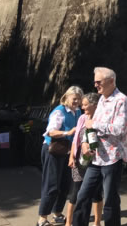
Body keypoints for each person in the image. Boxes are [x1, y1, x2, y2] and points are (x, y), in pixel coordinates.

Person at [72, 67, 127, 226]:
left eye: (99, 82)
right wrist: (85, 142)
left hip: (112, 158)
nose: (95, 85)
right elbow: (90, 127)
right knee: (83, 195)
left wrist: (96, 124)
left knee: (110, 200)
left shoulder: (122, 101)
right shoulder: (101, 101)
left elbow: (121, 129)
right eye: (95, 82)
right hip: (96, 157)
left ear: (111, 81)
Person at [37, 86, 83, 226]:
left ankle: (57, 213)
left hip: (67, 151)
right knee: (51, 185)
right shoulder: (59, 111)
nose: (76, 101)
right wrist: (67, 133)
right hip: (53, 150)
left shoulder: (78, 112)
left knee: (65, 184)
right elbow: (50, 132)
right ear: (67, 97)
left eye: (79, 99)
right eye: (74, 98)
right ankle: (42, 218)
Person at [65, 93, 103, 226]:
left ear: (95, 105)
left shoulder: (101, 119)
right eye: (83, 104)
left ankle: (97, 222)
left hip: (96, 162)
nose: (82, 107)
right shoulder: (82, 118)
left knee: (96, 193)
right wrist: (71, 156)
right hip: (80, 161)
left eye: (86, 104)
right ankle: (69, 223)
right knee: (75, 192)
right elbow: (76, 139)